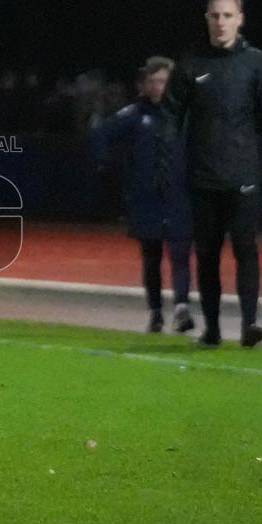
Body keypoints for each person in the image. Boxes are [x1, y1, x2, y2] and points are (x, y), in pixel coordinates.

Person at [162, 0, 262, 348]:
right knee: (208, 254)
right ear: (207, 18)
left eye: (228, 15)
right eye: (215, 15)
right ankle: (212, 329)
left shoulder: (256, 62)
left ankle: (250, 324)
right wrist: (167, 158)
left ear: (240, 19)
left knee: (246, 248)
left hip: (245, 175)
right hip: (203, 175)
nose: (221, 22)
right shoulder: (190, 62)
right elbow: (171, 113)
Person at [92, 57, 194, 334]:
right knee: (151, 258)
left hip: (179, 197)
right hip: (146, 198)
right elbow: (101, 133)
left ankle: (182, 307)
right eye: (154, 82)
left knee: (180, 253)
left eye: (164, 81)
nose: (159, 87)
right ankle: (156, 312)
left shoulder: (186, 115)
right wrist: (105, 163)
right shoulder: (134, 115)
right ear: (145, 85)